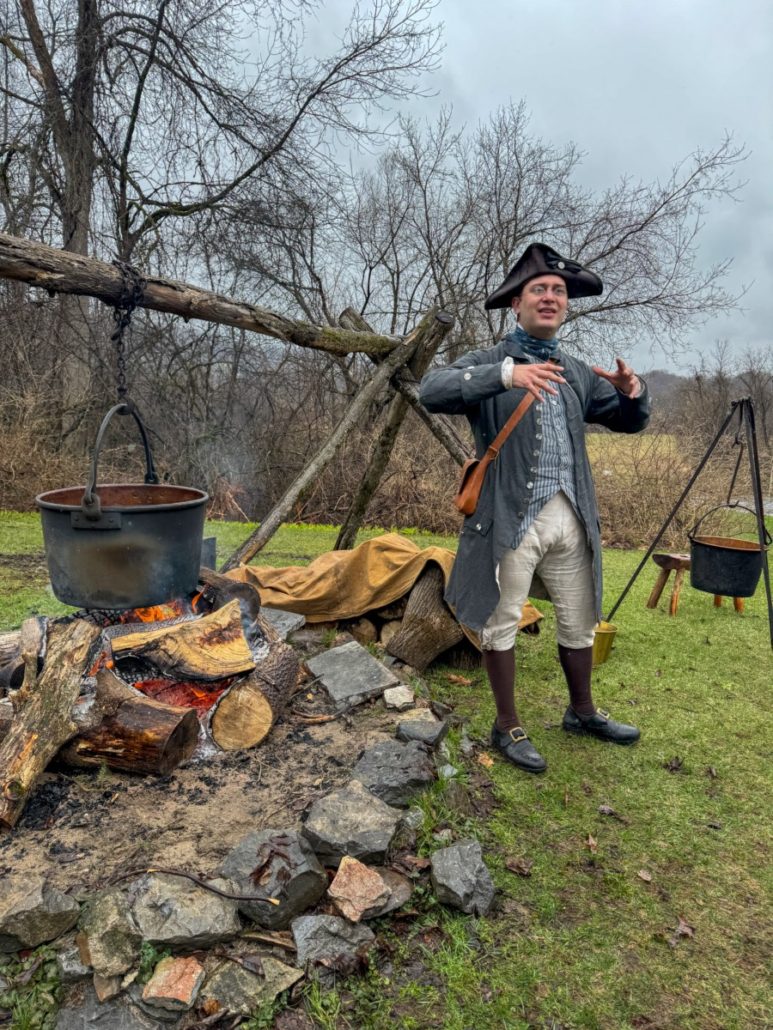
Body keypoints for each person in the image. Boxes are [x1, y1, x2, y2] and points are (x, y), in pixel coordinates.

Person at [419, 242, 650, 773]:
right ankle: (507, 725)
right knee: (502, 620)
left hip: (573, 516)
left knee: (581, 618)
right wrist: (506, 376)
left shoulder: (576, 371)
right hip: (508, 516)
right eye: (539, 290)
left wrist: (633, 392)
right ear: (517, 304)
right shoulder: (487, 360)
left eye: (558, 291)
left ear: (566, 305)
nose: (550, 297)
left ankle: (582, 712)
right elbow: (431, 389)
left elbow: (629, 421)